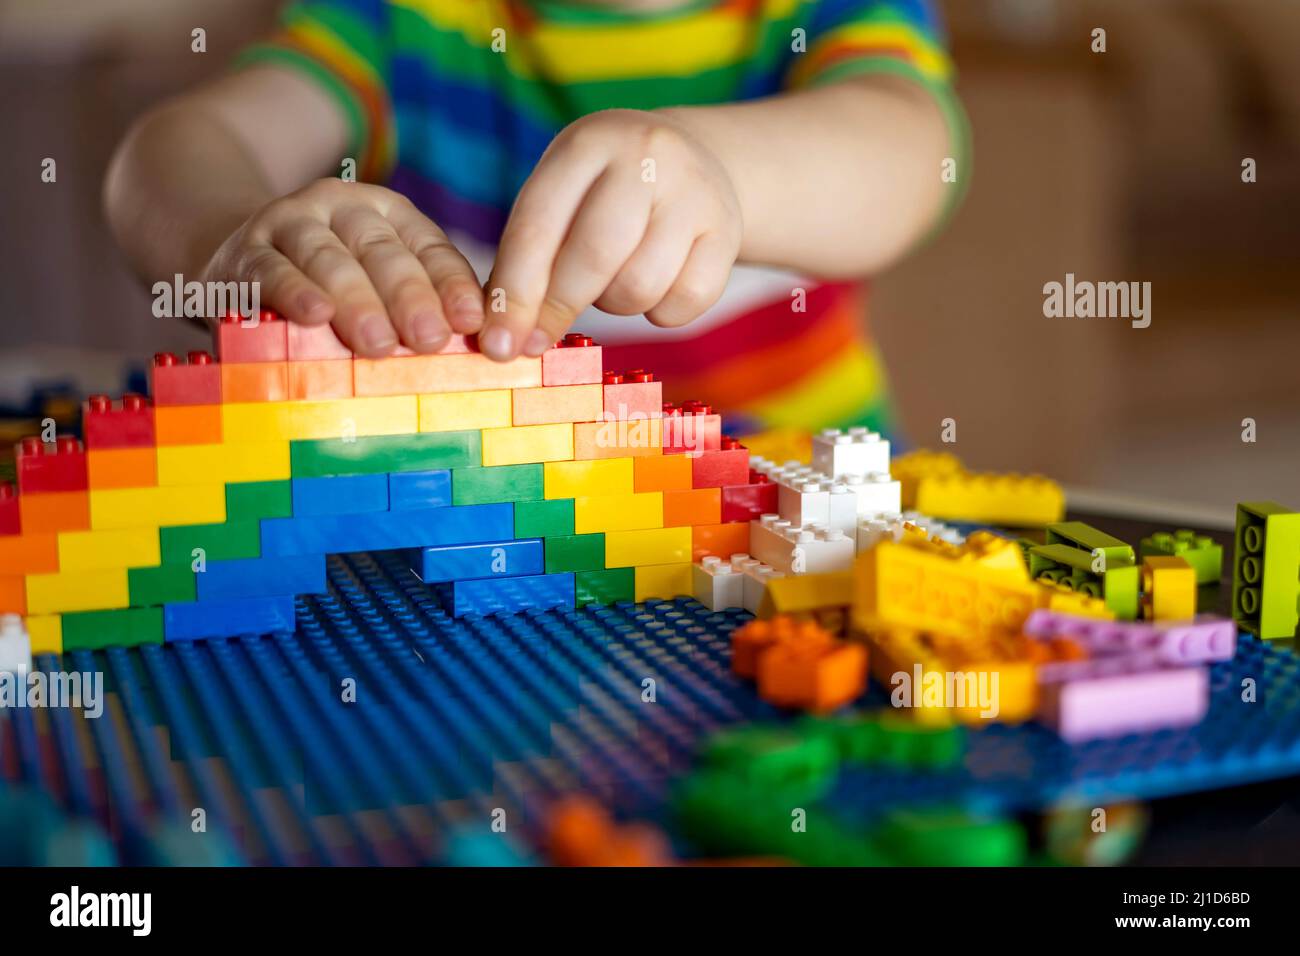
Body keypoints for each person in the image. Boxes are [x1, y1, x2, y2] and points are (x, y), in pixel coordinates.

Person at [105, 0, 966, 436]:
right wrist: (229, 236)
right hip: (489, 551)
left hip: (794, 530)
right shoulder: (406, 22)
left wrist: (724, 173)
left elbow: (913, 149)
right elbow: (177, 147)